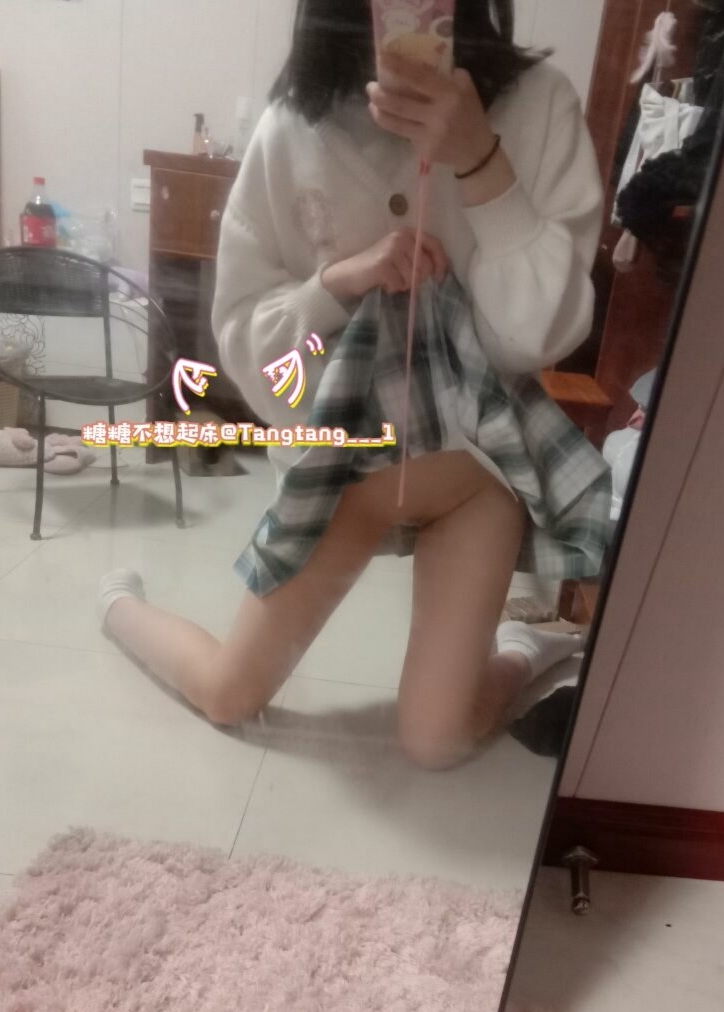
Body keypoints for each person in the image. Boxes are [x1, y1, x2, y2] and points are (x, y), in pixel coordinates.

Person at [98, 0, 605, 770]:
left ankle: (523, 648)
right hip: (346, 470)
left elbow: (542, 335)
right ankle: (118, 605)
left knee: (436, 741)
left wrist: (481, 164)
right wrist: (335, 284)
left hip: (476, 476)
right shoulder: (291, 127)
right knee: (230, 695)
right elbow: (248, 341)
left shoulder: (538, 106)